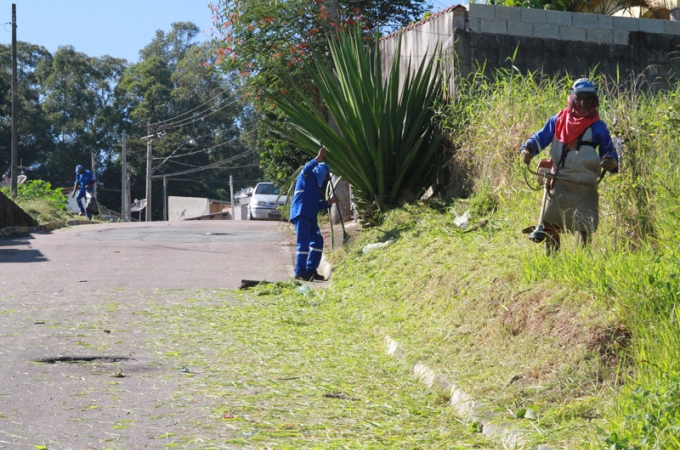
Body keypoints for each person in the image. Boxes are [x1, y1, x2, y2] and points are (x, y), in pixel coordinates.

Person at [519, 78, 618, 254]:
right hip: (559, 181)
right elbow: (538, 139)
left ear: (594, 101)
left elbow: (609, 152)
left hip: (585, 184)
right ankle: (552, 260)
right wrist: (528, 150)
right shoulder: (557, 120)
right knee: (549, 222)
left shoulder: (598, 126)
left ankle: (582, 260)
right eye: (579, 98)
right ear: (572, 98)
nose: (583, 103)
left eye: (588, 99)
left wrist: (610, 162)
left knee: (584, 225)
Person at [290, 146, 339, 281]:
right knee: (304, 242)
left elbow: (318, 205)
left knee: (317, 241)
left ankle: (311, 270)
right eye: (324, 175)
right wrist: (319, 158)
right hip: (301, 214)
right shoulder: (306, 177)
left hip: (310, 217)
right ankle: (300, 271)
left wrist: (330, 202)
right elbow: (306, 169)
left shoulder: (317, 188)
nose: (324, 179)